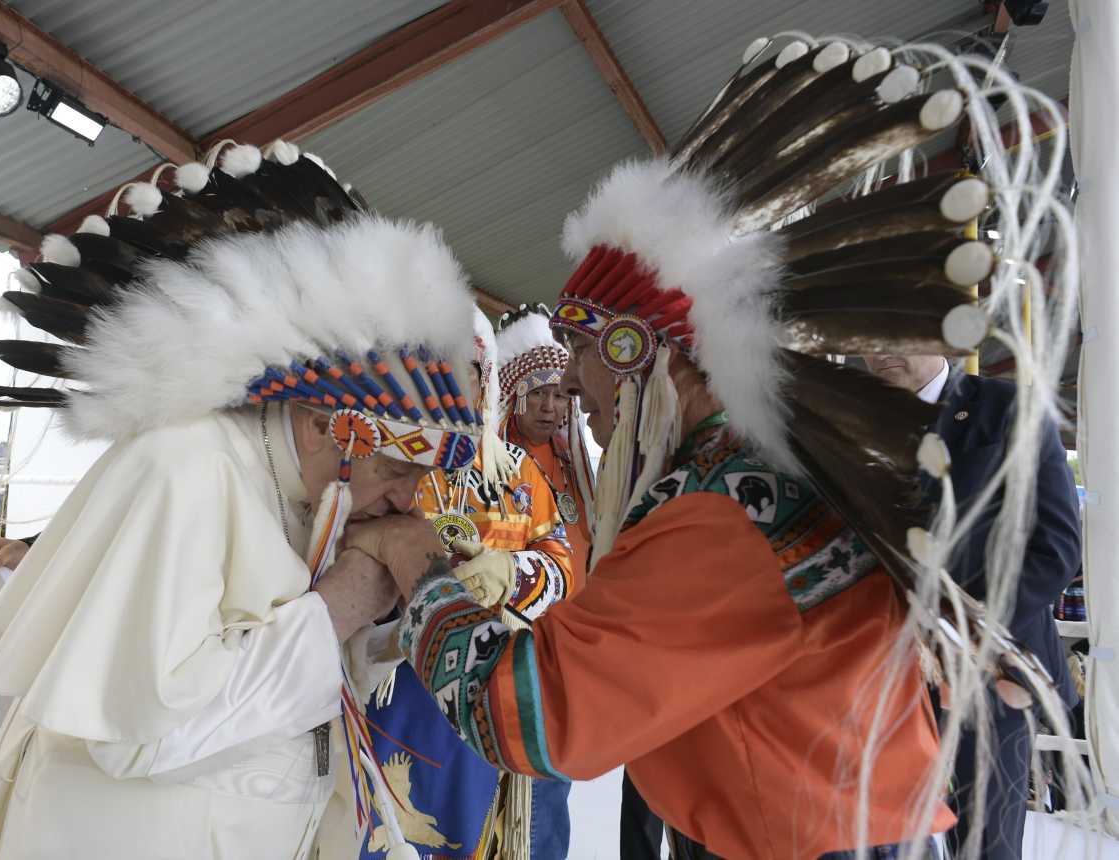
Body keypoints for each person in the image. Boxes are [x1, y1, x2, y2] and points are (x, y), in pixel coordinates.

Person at [339, 32, 1080, 860]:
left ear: (641, 354)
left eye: (584, 352)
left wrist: (420, 567)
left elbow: (537, 714)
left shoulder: (728, 507)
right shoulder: (756, 469)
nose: (579, 388)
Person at [0, 141, 485, 859]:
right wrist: (343, 599)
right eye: (394, 469)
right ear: (324, 425)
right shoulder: (183, 466)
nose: (408, 499)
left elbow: (289, 666)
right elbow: (137, 735)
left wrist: (384, 609)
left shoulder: (308, 486)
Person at [361, 308, 575, 859]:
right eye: (442, 369)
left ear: (489, 382)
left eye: (472, 371)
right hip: (397, 683)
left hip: (490, 682)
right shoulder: (386, 460)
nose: (457, 385)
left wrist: (512, 574)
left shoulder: (522, 475)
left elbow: (562, 566)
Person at [864, 353, 1082, 860]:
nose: (877, 350)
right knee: (879, 837)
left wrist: (958, 632)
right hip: (881, 670)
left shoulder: (1007, 409)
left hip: (990, 674)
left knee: (985, 843)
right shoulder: (857, 417)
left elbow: (1055, 547)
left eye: (893, 332)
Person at [494, 304, 594, 580]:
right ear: (515, 398)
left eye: (560, 396)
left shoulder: (573, 465)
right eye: (538, 393)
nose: (549, 407)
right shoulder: (496, 465)